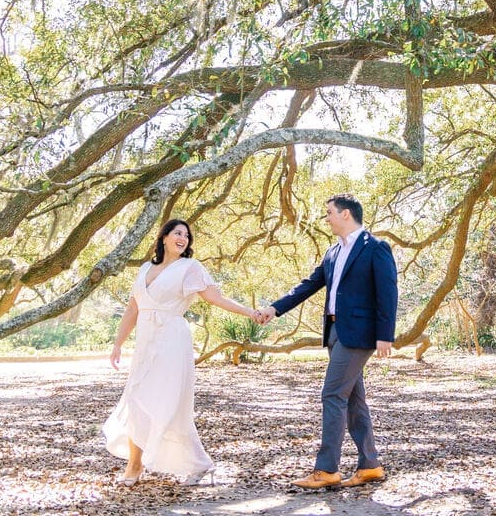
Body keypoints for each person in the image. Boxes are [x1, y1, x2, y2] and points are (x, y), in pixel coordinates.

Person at [255, 194, 397, 490]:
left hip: (359, 334)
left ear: (346, 214)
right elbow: (308, 285)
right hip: (334, 332)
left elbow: (388, 291)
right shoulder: (333, 252)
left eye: (329, 212)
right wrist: (275, 308)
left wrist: (386, 334)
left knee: (332, 395)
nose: (327, 218)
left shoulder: (376, 247)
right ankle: (370, 465)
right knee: (354, 400)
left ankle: (326, 469)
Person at [104, 218, 261, 487]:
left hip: (172, 340)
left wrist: (250, 312)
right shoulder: (144, 269)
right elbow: (132, 309)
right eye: (177, 233)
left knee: (169, 403)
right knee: (136, 399)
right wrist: (118, 343)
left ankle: (196, 464)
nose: (183, 238)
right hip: (145, 342)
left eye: (186, 236)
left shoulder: (190, 268)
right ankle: (135, 463)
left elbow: (216, 298)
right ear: (164, 237)